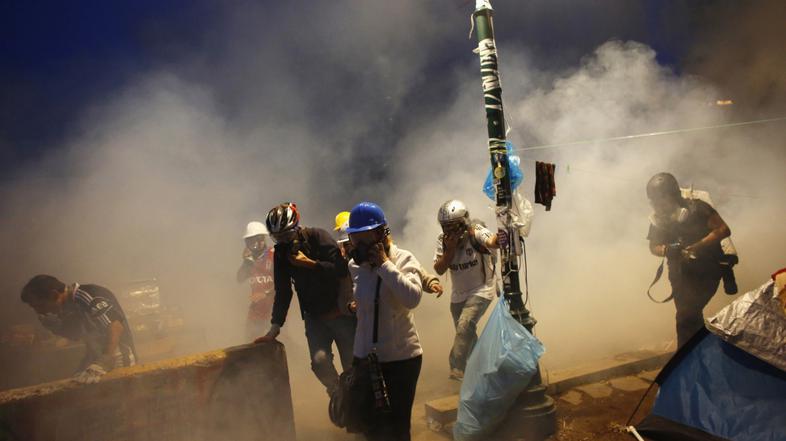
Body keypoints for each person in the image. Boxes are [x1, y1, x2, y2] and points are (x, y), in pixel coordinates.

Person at [255, 202, 356, 395]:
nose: (283, 241)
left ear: (296, 227)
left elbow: (342, 269)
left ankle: (357, 402)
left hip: (340, 313)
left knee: (352, 365)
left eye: (286, 235)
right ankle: (338, 395)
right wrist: (275, 326)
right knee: (319, 363)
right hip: (314, 318)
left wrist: (310, 264)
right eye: (277, 237)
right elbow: (283, 291)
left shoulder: (318, 236)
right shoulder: (281, 254)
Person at [346, 202, 424, 441]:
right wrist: (357, 359)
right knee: (367, 427)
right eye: (354, 239)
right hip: (365, 358)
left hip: (401, 360)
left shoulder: (404, 259)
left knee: (397, 429)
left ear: (380, 234)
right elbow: (364, 308)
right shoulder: (354, 266)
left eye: (363, 239)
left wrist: (384, 265)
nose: (357, 246)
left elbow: (412, 298)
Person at [646, 172, 731, 348]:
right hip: (679, 274)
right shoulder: (659, 220)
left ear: (673, 196)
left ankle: (685, 355)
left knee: (686, 316)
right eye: (654, 201)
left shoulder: (698, 209)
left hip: (707, 270)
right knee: (689, 316)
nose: (658, 205)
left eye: (661, 200)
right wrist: (667, 250)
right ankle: (701, 352)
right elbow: (653, 246)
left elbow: (723, 229)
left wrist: (697, 246)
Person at [20, 275, 137, 384]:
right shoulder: (69, 305)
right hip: (95, 358)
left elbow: (116, 327)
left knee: (120, 395)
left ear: (54, 295)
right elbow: (76, 335)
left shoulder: (86, 295)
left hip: (118, 357)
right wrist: (54, 326)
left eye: (40, 305)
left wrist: (105, 360)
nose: (39, 311)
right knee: (78, 384)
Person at [433, 199, 499, 381]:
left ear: (463, 222)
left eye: (453, 227)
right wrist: (450, 250)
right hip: (458, 295)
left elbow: (491, 241)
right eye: (445, 227)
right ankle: (484, 370)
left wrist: (500, 239)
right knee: (466, 337)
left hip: (482, 289)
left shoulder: (475, 231)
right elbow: (439, 269)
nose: (449, 232)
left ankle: (456, 367)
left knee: (465, 325)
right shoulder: (442, 241)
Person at [236, 221, 275, 340]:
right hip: (256, 311)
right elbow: (240, 279)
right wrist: (246, 262)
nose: (255, 243)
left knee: (280, 340)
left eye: (258, 239)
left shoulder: (273, 255)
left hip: (274, 309)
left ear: (263, 239)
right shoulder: (249, 260)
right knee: (250, 340)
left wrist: (265, 294)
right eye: (250, 240)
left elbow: (284, 283)